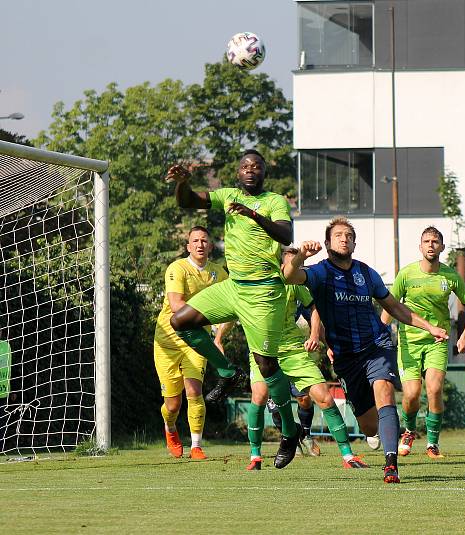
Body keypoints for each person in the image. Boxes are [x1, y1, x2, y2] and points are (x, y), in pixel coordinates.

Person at [283, 217, 449, 484]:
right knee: (369, 427)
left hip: (376, 346)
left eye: (349, 235)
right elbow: (290, 275)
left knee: (384, 389)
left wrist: (430, 327)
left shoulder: (367, 273)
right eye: (338, 235)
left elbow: (395, 307)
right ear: (327, 243)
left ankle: (391, 464)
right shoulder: (320, 272)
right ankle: (380, 430)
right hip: (347, 358)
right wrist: (301, 255)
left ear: (355, 243)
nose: (344, 238)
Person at [164, 149, 302, 469]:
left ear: (264, 173)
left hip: (264, 292)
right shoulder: (227, 195)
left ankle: (289, 431)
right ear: (237, 172)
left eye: (256, 166)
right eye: (245, 166)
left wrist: (253, 214)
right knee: (181, 320)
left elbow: (286, 233)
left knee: (267, 367)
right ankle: (227, 372)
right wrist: (182, 183)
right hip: (233, 287)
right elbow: (189, 201)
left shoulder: (274, 201)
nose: (250, 170)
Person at [246, 246, 365, 471]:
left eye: (298, 265)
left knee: (325, 398)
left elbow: (315, 308)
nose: (295, 269)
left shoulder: (294, 285)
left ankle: (348, 456)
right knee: (260, 396)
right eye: (292, 264)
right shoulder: (254, 284)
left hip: (293, 350)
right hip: (262, 351)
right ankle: (255, 456)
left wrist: (313, 335)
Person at [380, 226, 465, 459]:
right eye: (427, 241)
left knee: (434, 389)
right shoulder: (406, 274)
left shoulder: (450, 276)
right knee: (412, 395)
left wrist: (464, 335)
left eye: (435, 241)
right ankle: (410, 431)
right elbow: (390, 307)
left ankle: (432, 444)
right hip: (409, 342)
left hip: (437, 341)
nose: (431, 245)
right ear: (420, 246)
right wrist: (379, 334)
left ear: (442, 247)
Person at [153, 226, 232, 459]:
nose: (199, 244)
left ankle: (196, 445)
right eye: (195, 240)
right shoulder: (177, 268)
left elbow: (234, 306)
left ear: (210, 246)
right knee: (173, 405)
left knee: (194, 391)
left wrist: (217, 337)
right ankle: (170, 428)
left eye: (204, 240)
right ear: (188, 246)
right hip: (167, 341)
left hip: (196, 341)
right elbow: (177, 305)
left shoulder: (219, 274)